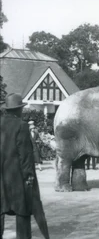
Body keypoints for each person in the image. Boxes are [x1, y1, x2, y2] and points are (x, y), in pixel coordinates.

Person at [1, 93, 49, 239]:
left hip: (1, 176)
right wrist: (29, 176)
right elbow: (25, 155)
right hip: (17, 177)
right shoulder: (21, 126)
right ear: (18, 110)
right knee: (23, 210)